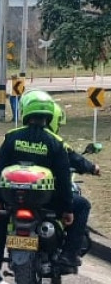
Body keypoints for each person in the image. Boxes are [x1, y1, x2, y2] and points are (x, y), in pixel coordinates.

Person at [0, 90, 73, 284]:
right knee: (81, 207)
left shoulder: (12, 137)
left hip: (13, 198)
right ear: (49, 116)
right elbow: (64, 178)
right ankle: (67, 258)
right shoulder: (55, 142)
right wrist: (67, 209)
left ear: (25, 111)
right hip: (47, 201)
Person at [46, 102, 98, 268]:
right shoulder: (56, 141)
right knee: (82, 205)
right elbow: (76, 159)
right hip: (51, 195)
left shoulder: (17, 137)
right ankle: (69, 254)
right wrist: (93, 168)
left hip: (20, 195)